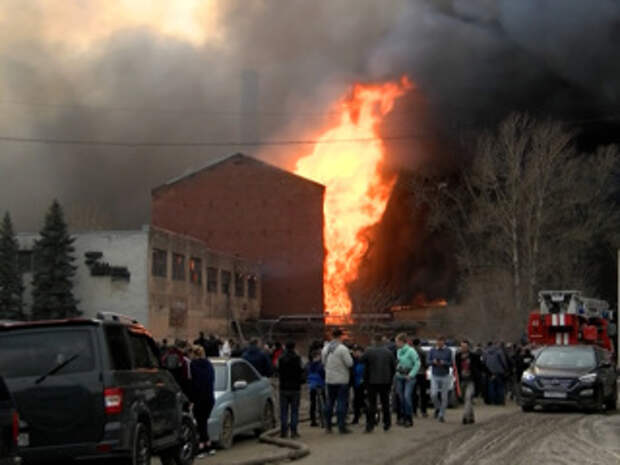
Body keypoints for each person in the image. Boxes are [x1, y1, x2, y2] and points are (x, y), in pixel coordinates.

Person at [361, 334, 396, 433]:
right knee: (385, 403)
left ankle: (370, 425)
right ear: (382, 341)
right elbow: (394, 367)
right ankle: (387, 423)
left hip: (371, 381)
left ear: (374, 341)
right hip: (385, 381)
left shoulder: (369, 351)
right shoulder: (388, 352)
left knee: (372, 404)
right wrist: (390, 378)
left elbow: (361, 360)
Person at [321, 328, 353, 434]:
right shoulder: (342, 349)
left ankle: (328, 426)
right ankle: (341, 426)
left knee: (329, 402)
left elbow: (323, 362)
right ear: (340, 336)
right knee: (341, 403)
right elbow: (349, 363)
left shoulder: (325, 348)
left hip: (329, 379)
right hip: (342, 379)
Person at [189, 345, 216, 457]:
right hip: (209, 398)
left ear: (194, 354)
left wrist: (191, 398)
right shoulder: (209, 364)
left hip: (199, 398)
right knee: (203, 422)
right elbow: (212, 379)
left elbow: (193, 382)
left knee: (201, 422)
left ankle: (202, 447)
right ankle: (208, 445)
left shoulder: (193, 365)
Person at [277, 341, 305, 439]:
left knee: (283, 411)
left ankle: (283, 431)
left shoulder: (281, 359)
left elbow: (278, 371)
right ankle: (293, 431)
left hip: (283, 388)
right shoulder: (297, 359)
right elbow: (301, 372)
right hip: (295, 388)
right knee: (294, 411)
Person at [394, 333, 420, 428]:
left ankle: (409, 418)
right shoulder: (399, 351)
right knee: (400, 397)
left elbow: (417, 363)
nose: (396, 343)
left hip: (409, 377)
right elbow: (399, 361)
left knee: (406, 396)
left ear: (402, 342)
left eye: (397, 342)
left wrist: (411, 374)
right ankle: (402, 416)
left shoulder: (411, 351)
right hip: (400, 376)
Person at [455, 340, 482, 424]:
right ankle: (471, 416)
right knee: (466, 399)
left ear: (468, 347)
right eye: (462, 347)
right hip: (462, 381)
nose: (463, 348)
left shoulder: (474, 356)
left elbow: (480, 366)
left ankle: (465, 416)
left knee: (468, 397)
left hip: (471, 380)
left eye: (465, 347)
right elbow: (456, 368)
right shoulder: (458, 356)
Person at [429, 336, 452, 422]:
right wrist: (433, 362)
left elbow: (451, 363)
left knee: (444, 396)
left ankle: (441, 415)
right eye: (438, 341)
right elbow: (428, 361)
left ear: (444, 342)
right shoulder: (432, 350)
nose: (439, 343)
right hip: (435, 375)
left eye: (441, 341)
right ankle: (438, 408)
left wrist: (444, 363)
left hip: (445, 375)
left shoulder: (448, 351)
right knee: (433, 394)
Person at [306, 349, 326, 427]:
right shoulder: (320, 365)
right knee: (323, 402)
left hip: (312, 386)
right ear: (317, 356)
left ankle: (313, 420)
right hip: (320, 385)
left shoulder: (308, 365)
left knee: (313, 403)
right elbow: (323, 374)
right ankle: (324, 419)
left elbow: (306, 374)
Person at [411, 338, 429, 418]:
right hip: (421, 373)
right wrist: (425, 368)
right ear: (419, 343)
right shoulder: (422, 351)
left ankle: (414, 411)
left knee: (413, 393)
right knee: (423, 393)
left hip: (413, 374)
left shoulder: (410, 352)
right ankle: (423, 411)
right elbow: (426, 363)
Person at [351, 346, 366, 425]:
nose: (354, 354)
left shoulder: (365, 360)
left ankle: (359, 416)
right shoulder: (354, 360)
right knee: (356, 401)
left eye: (356, 352)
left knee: (361, 400)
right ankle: (356, 417)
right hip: (356, 383)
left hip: (362, 383)